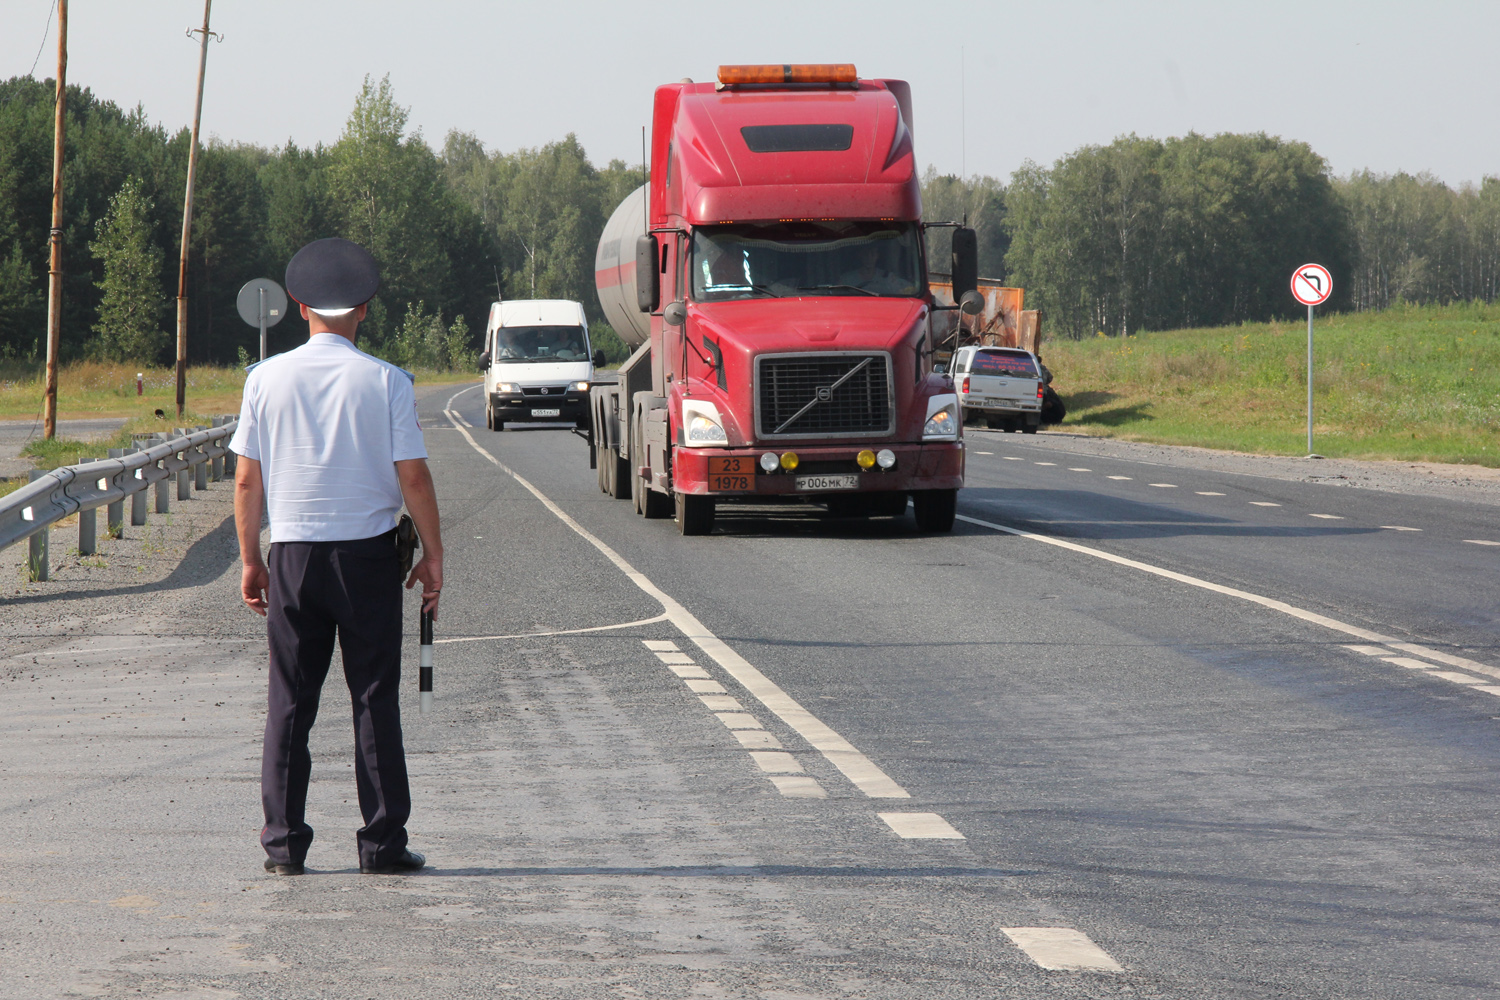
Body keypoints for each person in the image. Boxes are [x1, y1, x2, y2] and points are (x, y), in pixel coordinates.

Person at [230, 237, 444, 877]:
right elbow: (414, 477)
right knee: (375, 698)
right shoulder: (387, 381)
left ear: (298, 307)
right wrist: (433, 554)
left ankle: (283, 845)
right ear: (365, 309)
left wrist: (250, 558)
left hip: (293, 553)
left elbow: (246, 480)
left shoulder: (263, 380)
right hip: (368, 559)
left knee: (290, 703)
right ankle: (381, 843)